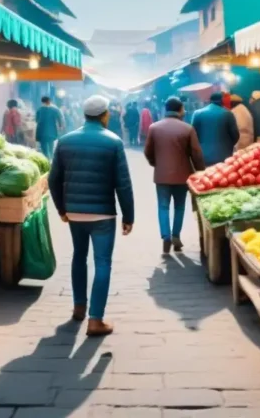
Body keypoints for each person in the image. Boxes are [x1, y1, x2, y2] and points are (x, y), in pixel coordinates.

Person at [48, 95, 134, 337]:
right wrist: (129, 216)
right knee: (103, 262)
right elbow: (123, 184)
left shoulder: (65, 141)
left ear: (85, 115)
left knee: (79, 256)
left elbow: (53, 179)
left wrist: (62, 209)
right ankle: (95, 320)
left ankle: (78, 307)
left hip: (75, 213)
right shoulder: (114, 142)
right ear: (105, 115)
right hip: (103, 214)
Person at [144, 96, 205, 253]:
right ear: (180, 110)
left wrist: (155, 164)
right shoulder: (187, 128)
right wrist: (200, 171)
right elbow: (196, 153)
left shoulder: (154, 128)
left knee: (163, 206)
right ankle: (176, 235)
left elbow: (148, 151)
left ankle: (166, 237)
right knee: (179, 206)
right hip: (182, 175)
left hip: (161, 176)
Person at [192, 92, 239, 166]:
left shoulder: (197, 113)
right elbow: (235, 135)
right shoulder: (228, 114)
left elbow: (193, 135)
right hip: (224, 156)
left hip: (203, 156)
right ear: (222, 101)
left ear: (210, 100)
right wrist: (228, 145)